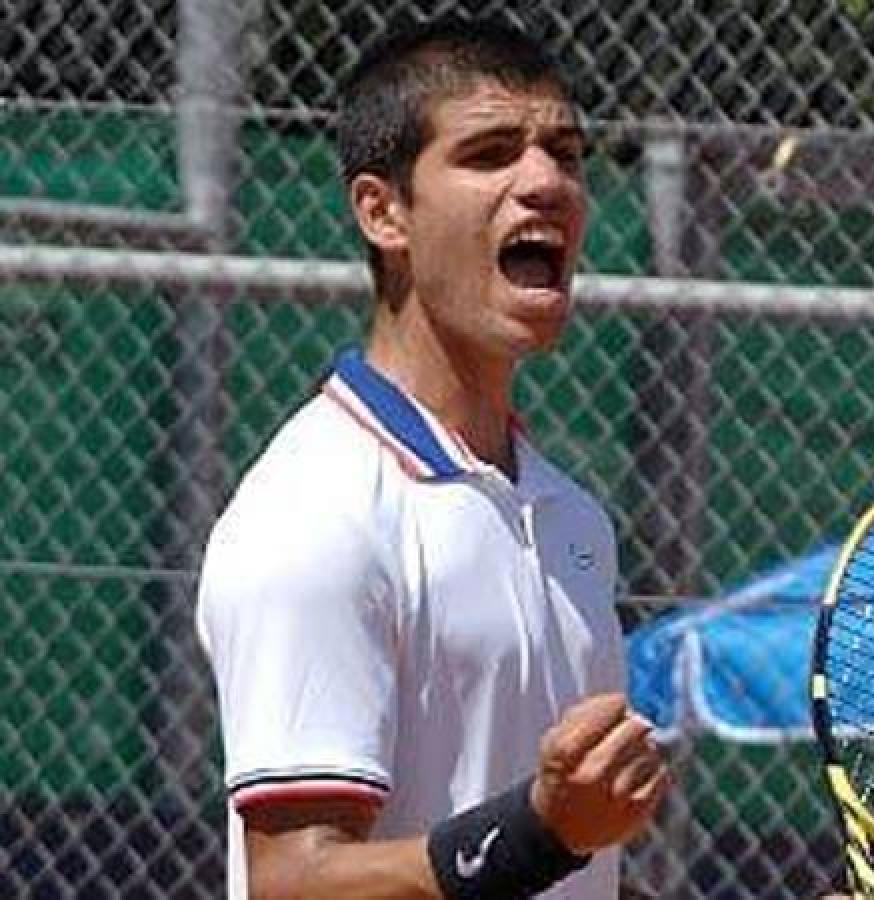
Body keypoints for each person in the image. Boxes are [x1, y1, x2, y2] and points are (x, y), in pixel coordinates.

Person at [196, 16, 670, 900]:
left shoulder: (571, 518)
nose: (547, 182)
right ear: (383, 212)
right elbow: (292, 882)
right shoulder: (313, 517)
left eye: (566, 154)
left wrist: (551, 840)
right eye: (490, 154)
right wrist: (540, 833)